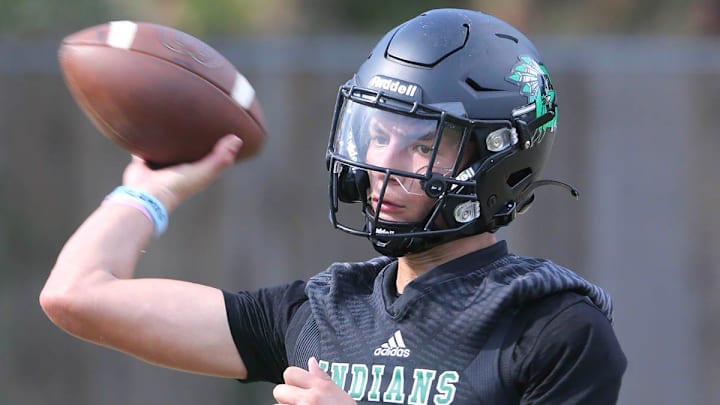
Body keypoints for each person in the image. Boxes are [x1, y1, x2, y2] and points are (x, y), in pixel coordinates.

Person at [40, 8, 626, 405]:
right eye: (377, 135)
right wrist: (152, 189)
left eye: (423, 143)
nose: (381, 165)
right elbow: (77, 295)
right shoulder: (321, 313)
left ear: (499, 157)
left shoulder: (553, 327)